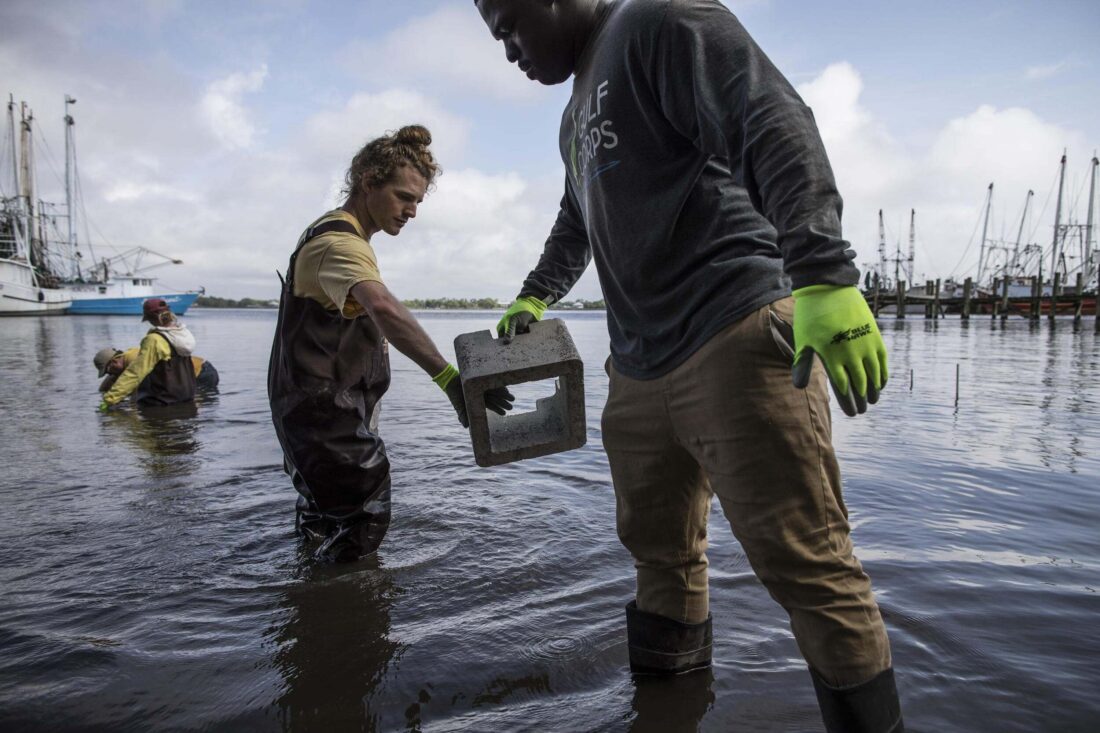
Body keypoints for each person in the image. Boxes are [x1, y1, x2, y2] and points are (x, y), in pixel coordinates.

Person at [475, 1, 901, 731]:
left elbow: (768, 114)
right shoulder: (570, 114)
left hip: (734, 332)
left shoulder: (657, 20)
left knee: (810, 570)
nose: (509, 49)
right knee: (660, 560)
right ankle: (669, 712)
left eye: (512, 24)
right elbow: (578, 220)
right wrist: (534, 296)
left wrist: (823, 274)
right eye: (497, 37)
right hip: (637, 372)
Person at [268, 125, 514, 564]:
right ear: (368, 183)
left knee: (322, 523)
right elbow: (384, 308)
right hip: (324, 419)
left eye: (418, 201)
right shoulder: (338, 243)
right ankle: (350, 619)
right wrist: (448, 378)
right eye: (404, 197)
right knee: (361, 520)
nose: (412, 211)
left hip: (315, 415)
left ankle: (311, 608)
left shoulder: (340, 238)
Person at [97, 299, 199, 410]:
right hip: (187, 399)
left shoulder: (154, 340)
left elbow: (135, 373)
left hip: (162, 402)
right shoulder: (182, 334)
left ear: (150, 318)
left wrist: (110, 399)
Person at [94, 345, 219, 395]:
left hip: (201, 374)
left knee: (190, 406)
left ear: (115, 361)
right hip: (199, 370)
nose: (110, 375)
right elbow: (110, 382)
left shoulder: (134, 360)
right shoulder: (126, 358)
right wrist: (103, 393)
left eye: (109, 371)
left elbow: (137, 395)